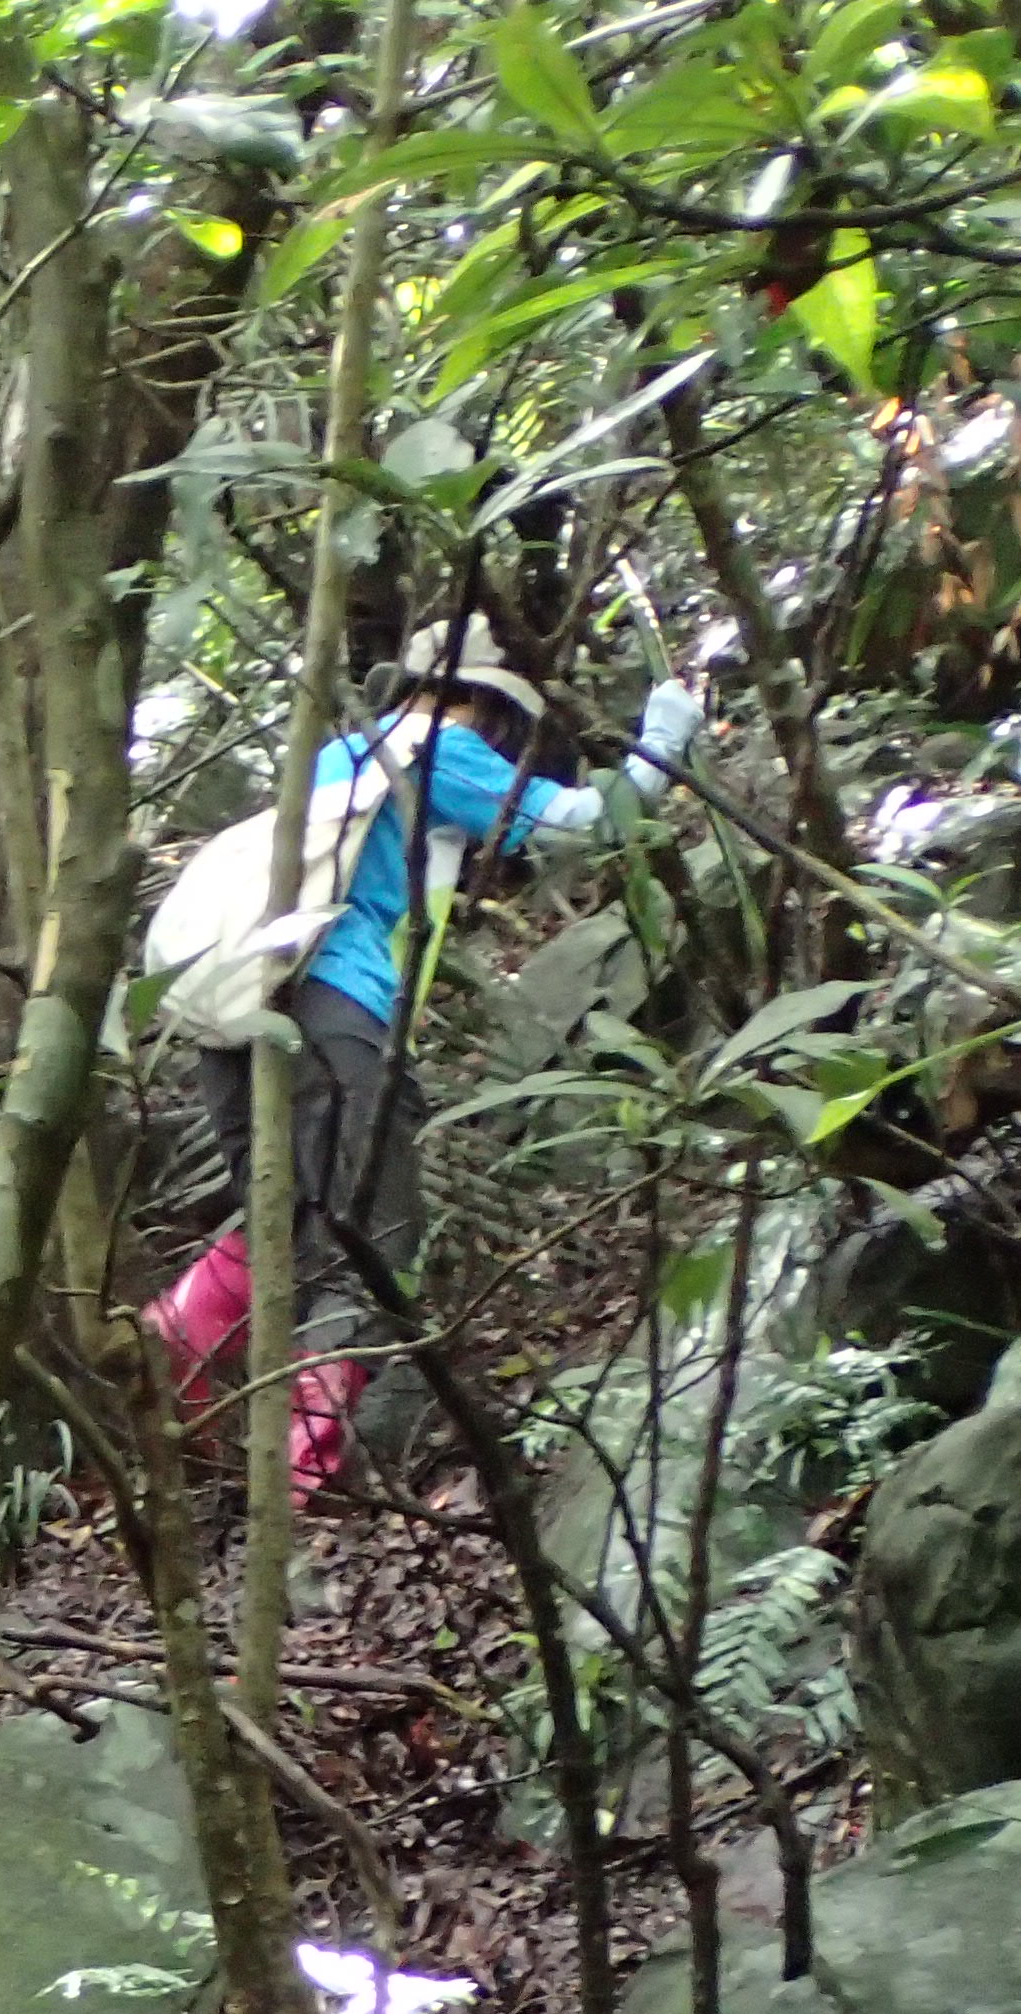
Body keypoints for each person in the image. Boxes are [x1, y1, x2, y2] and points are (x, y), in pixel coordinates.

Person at [138, 618, 707, 1496]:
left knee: (279, 1218)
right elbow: (585, 826)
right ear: (479, 702)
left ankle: (174, 1347)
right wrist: (663, 738)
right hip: (336, 1009)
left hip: (242, 1012)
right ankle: (306, 1478)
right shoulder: (440, 748)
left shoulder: (337, 758)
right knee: (370, 1241)